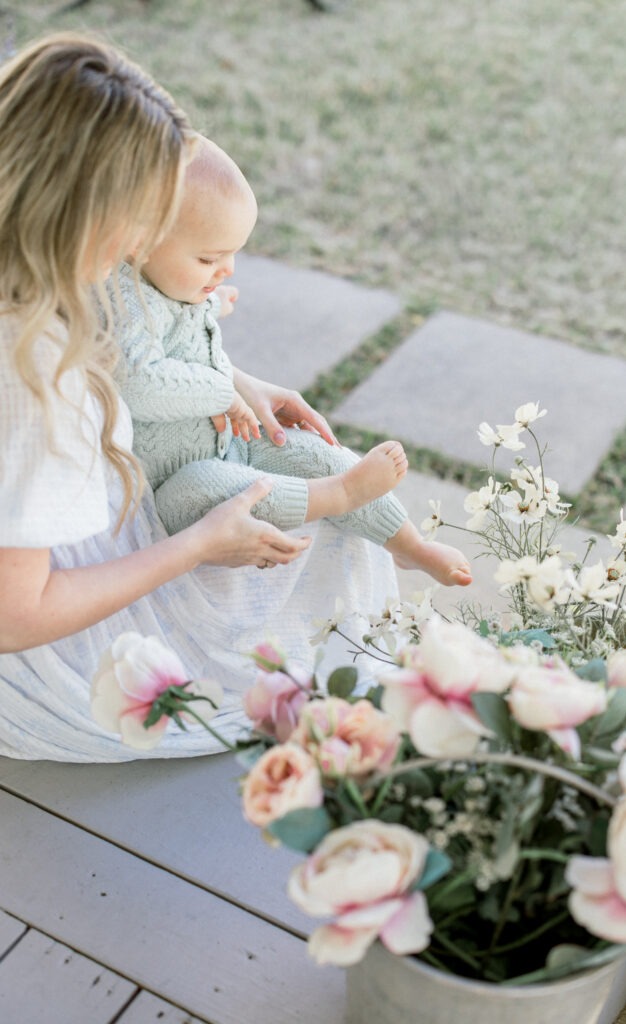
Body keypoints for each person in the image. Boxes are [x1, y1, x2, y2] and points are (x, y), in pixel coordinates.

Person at [0, 33, 398, 762]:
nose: (142, 245)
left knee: (302, 479)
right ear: (84, 213)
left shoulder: (30, 260)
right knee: (324, 523)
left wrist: (234, 379)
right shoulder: (28, 371)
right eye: (141, 221)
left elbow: (130, 354)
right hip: (30, 656)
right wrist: (195, 546)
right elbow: (15, 617)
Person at [112, 138, 473, 587]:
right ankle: (337, 496)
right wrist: (226, 389)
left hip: (230, 443)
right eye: (209, 258)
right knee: (208, 486)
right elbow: (139, 382)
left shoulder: (172, 279)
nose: (227, 268)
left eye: (232, 254)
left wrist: (211, 301)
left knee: (304, 450)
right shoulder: (124, 301)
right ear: (139, 243)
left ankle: (409, 545)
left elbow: (183, 322)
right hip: (171, 488)